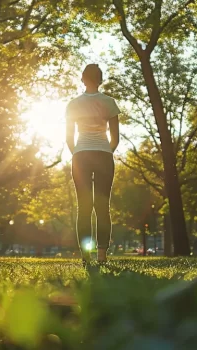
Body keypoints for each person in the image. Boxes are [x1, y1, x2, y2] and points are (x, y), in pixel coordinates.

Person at [65, 63, 120, 263]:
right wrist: (106, 151)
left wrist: (77, 153)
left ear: (82, 79)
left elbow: (69, 137)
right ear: (100, 79)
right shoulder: (109, 102)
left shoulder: (73, 104)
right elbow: (115, 137)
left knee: (84, 207)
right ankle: (102, 255)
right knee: (102, 206)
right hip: (104, 154)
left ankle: (86, 256)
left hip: (81, 155)